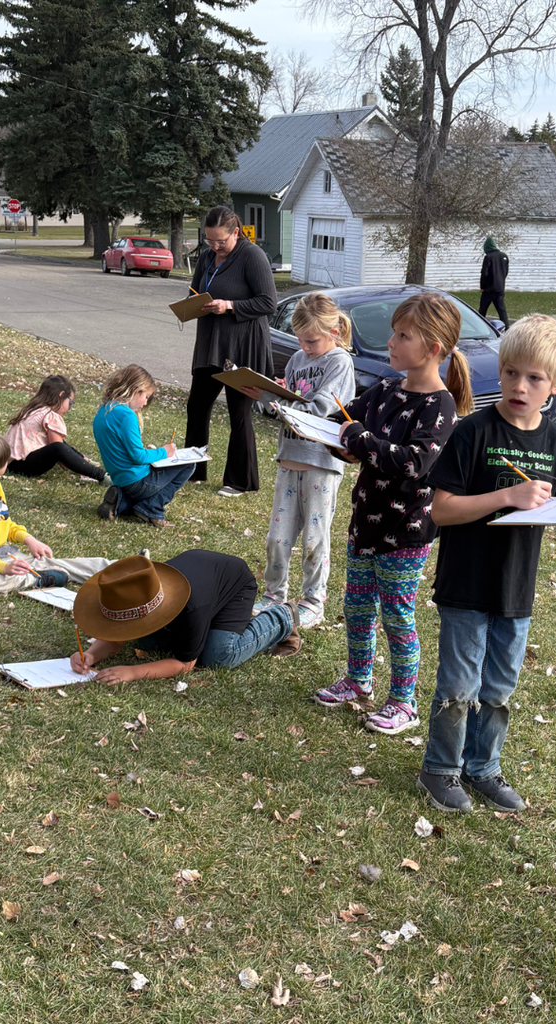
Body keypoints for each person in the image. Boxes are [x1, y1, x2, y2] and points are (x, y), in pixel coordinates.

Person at [416, 314, 556, 814]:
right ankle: (440, 769)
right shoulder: (472, 432)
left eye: (534, 378)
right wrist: (508, 494)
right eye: (510, 373)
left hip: (515, 588)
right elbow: (441, 509)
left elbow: (552, 500)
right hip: (466, 583)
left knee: (499, 688)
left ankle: (482, 768)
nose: (519, 386)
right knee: (459, 687)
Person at [313, 292, 472, 736]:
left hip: (406, 533)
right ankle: (358, 680)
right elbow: (346, 431)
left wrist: (357, 439)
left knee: (397, 615)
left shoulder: (439, 407)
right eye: (394, 333)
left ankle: (403, 702)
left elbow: (412, 463)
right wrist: (312, 424)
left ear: (433, 349)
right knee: (357, 606)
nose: (391, 342)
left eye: (403, 335)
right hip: (365, 521)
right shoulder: (385, 388)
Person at [241, 293, 356, 628]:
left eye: (312, 340)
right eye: (300, 339)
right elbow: (285, 411)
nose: (305, 347)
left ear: (334, 330)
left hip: (321, 463)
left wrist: (274, 400)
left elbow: (319, 409)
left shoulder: (339, 363)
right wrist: (265, 396)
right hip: (289, 459)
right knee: (277, 538)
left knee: (314, 540)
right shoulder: (295, 360)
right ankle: (274, 596)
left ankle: (312, 601)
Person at [69, 551, 302, 682]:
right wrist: (90, 655)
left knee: (216, 656)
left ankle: (281, 618)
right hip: (201, 582)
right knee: (148, 641)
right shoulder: (140, 592)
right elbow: (118, 634)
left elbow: (186, 663)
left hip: (234, 585)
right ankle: (203, 628)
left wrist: (132, 672)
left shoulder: (191, 606)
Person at [0, 431, 111, 594]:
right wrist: (2, 567)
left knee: (53, 562)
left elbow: (4, 522)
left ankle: (116, 567)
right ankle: (35, 578)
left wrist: (29, 539)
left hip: (3, 553)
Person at [184, 205, 277, 497]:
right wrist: (192, 303)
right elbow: (195, 292)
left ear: (236, 232)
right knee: (197, 406)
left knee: (238, 412)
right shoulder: (208, 257)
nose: (215, 246)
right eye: (209, 240)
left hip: (243, 345)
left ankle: (240, 481)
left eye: (221, 241)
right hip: (211, 344)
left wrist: (230, 306)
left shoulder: (252, 256)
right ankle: (191, 469)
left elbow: (268, 303)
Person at [93, 365, 194, 528]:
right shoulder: (127, 415)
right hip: (138, 481)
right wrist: (164, 452)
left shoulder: (103, 411)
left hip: (120, 479)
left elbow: (125, 451)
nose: (146, 402)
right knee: (189, 464)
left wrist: (152, 453)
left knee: (136, 498)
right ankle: (152, 509)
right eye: (146, 396)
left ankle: (120, 501)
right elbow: (138, 457)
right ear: (135, 390)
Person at [4, 374, 109, 485]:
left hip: (9, 463)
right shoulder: (50, 415)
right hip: (24, 466)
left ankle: (83, 459)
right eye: (70, 403)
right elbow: (60, 451)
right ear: (61, 395)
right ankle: (101, 476)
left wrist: (78, 458)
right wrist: (78, 466)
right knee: (58, 447)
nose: (69, 409)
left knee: (59, 444)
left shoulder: (33, 410)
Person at [479, 237, 510, 328]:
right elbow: (505, 272)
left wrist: (482, 287)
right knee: (502, 310)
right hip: (500, 288)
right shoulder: (504, 256)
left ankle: (480, 327)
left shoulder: (488, 257)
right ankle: (507, 328)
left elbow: (485, 273)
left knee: (482, 311)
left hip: (488, 289)